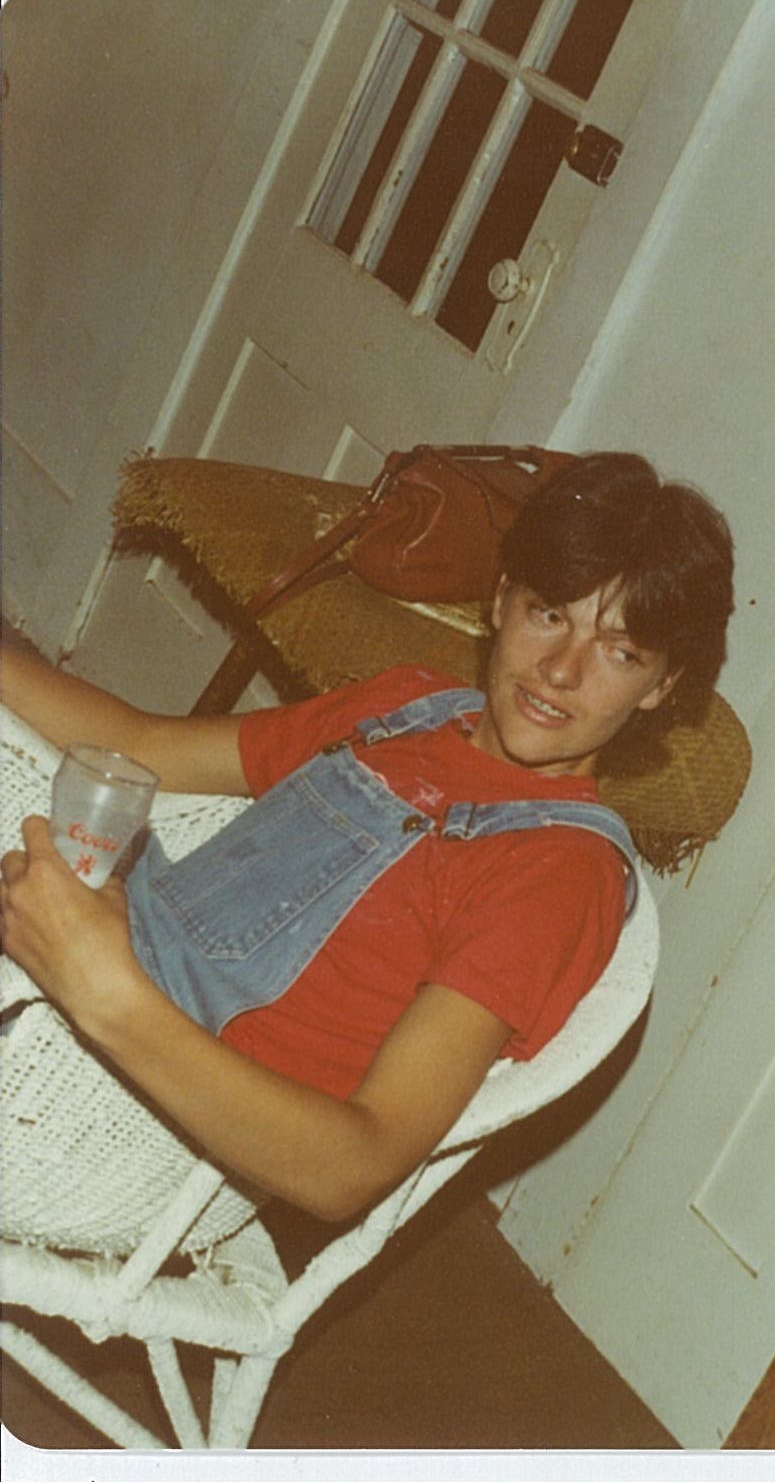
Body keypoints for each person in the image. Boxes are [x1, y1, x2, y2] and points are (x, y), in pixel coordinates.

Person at [0, 452, 734, 1224]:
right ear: (501, 600)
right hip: (71, 988)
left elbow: (354, 1166)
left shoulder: (556, 872)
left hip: (124, 1130)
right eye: (550, 614)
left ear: (661, 686)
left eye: (620, 653)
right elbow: (143, 745)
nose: (560, 670)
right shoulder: (408, 709)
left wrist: (103, 988)